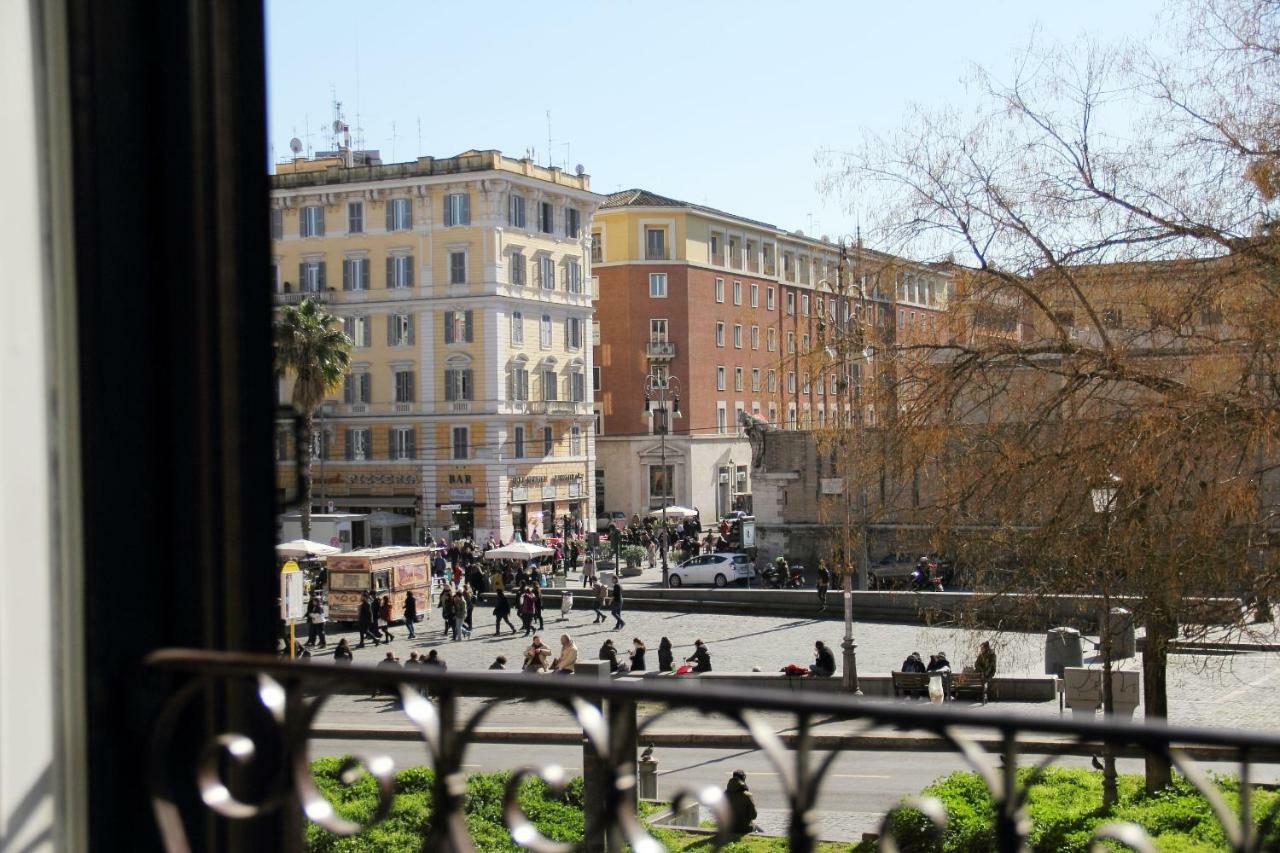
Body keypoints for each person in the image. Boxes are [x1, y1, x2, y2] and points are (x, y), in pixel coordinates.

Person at [725, 770, 758, 835]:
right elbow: (754, 816)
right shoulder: (747, 796)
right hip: (744, 828)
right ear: (743, 779)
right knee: (758, 829)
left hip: (728, 828)